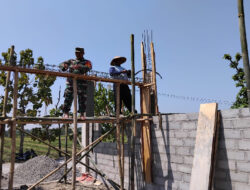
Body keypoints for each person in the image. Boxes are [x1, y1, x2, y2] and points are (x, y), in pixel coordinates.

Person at [59, 47, 92, 119]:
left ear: (83, 53)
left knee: (82, 99)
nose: (77, 54)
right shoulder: (71, 61)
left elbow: (88, 67)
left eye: (79, 53)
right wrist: (64, 66)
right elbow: (61, 65)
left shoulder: (87, 61)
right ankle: (66, 113)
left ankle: (82, 114)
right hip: (70, 82)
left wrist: (79, 66)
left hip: (82, 83)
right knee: (68, 96)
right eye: (76, 53)